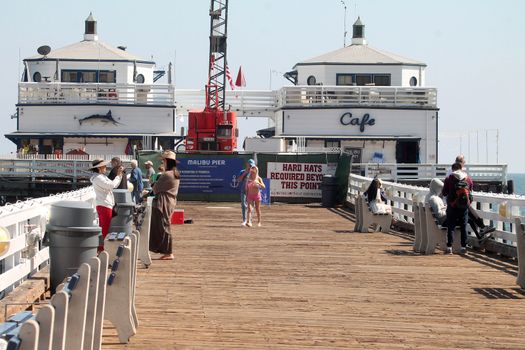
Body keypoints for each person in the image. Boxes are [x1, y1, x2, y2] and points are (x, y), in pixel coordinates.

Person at [426, 178, 495, 243]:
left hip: (443, 221)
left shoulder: (429, 196)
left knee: (467, 216)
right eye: (440, 188)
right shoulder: (434, 199)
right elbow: (440, 214)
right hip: (445, 222)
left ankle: (480, 234)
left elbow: (438, 211)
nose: (441, 191)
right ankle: (482, 229)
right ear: (436, 188)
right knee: (466, 210)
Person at [149, 151, 180, 260]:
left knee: (163, 227)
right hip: (170, 201)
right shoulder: (175, 173)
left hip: (163, 203)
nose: (162, 163)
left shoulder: (167, 174)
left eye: (163, 161)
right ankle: (166, 251)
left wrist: (153, 183)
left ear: (166, 161)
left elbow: (155, 189)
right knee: (165, 225)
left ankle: (168, 252)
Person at [90, 159, 123, 252]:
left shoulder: (98, 177)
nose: (105, 167)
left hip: (103, 204)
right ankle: (101, 249)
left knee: (103, 227)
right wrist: (119, 176)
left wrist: (118, 176)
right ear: (99, 168)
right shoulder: (99, 178)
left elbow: (111, 185)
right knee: (105, 228)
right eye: (104, 166)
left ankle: (100, 248)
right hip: (104, 205)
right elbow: (112, 185)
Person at [441, 162, 472, 255]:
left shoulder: (449, 178)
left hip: (452, 206)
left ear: (453, 169)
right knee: (463, 227)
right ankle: (463, 248)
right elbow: (470, 191)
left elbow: (444, 192)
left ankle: (449, 247)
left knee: (451, 227)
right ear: (461, 168)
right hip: (464, 207)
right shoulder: (468, 179)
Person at [238, 159, 256, 226]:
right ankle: (244, 220)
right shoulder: (242, 171)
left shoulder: (254, 172)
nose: (251, 167)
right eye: (250, 165)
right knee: (243, 205)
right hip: (244, 191)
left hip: (252, 191)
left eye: (252, 165)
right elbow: (239, 180)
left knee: (251, 206)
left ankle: (250, 221)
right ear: (247, 164)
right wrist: (245, 173)